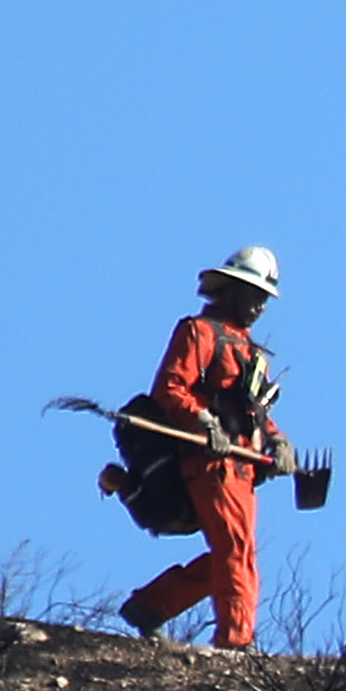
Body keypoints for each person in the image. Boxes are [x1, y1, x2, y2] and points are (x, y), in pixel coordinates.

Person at [117, 246, 300, 649]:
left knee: (238, 554)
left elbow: (253, 414)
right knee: (235, 551)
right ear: (231, 290)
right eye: (254, 296)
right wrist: (203, 422)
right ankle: (236, 644)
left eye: (264, 299)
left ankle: (152, 605)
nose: (260, 307)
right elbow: (170, 387)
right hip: (208, 462)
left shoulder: (253, 355)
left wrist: (279, 442)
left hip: (242, 469)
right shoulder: (198, 333)